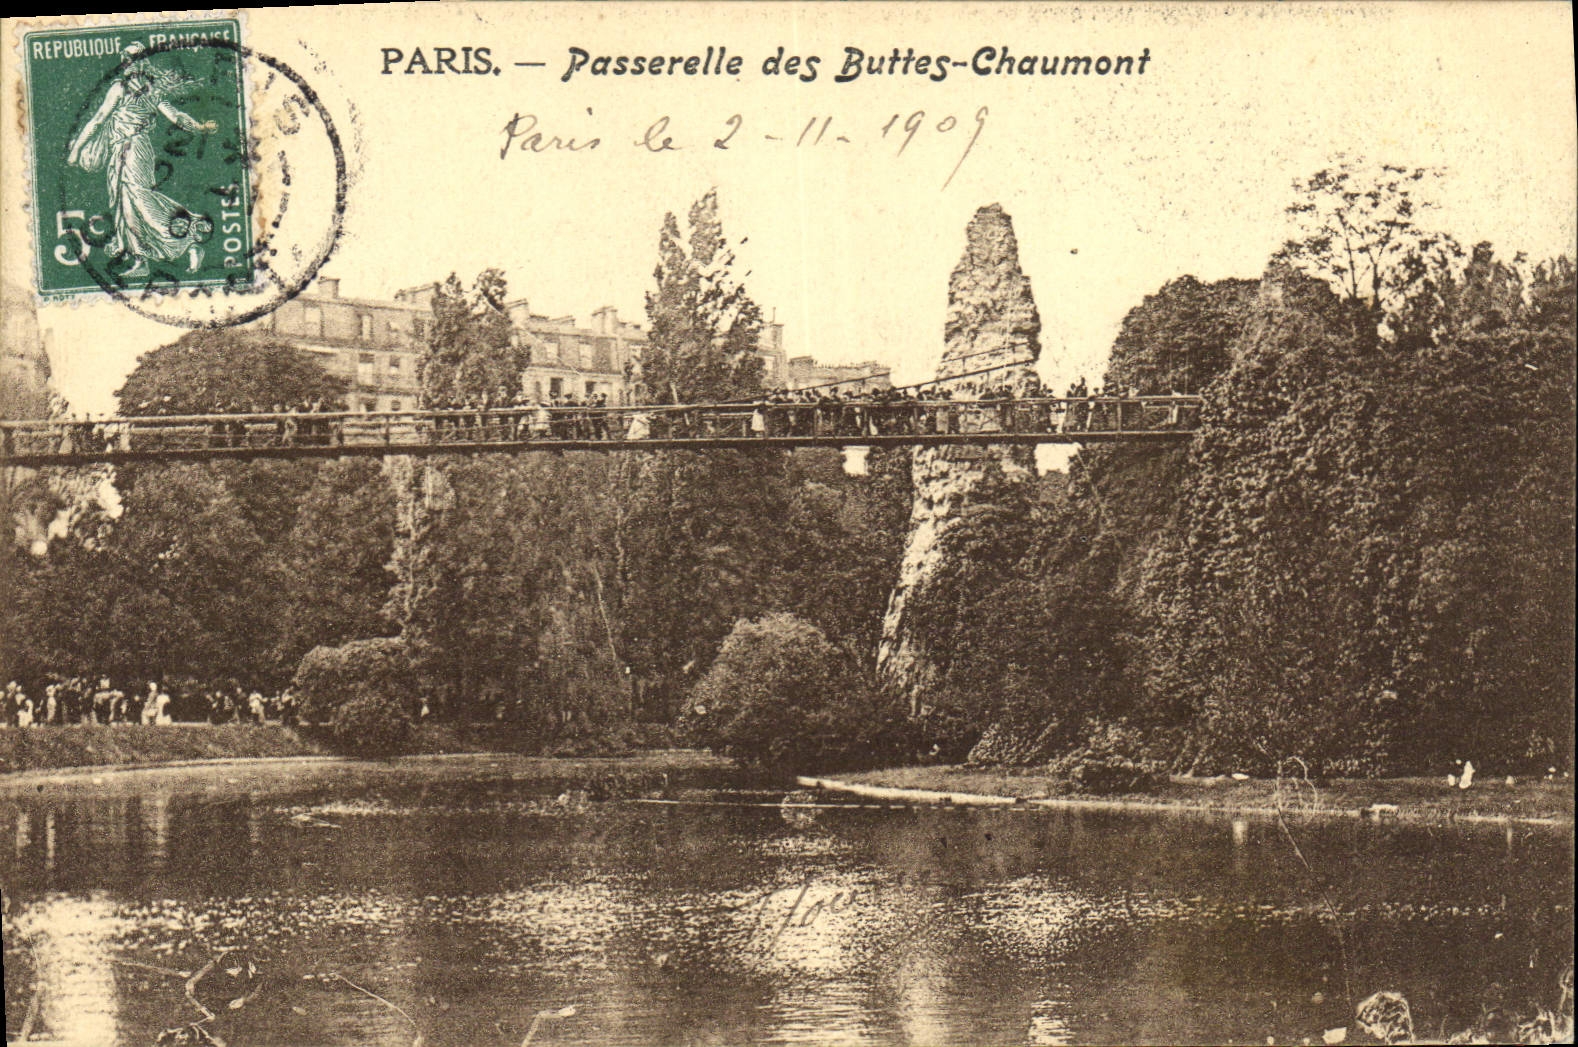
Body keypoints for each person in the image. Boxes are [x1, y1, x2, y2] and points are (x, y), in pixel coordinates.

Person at [66, 43, 219, 277]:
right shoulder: (150, 90)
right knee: (127, 201)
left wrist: (76, 150)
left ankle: (181, 242)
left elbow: (98, 120)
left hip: (131, 150)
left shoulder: (122, 88)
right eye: (130, 59)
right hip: (131, 150)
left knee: (135, 201)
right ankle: (143, 253)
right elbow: (176, 117)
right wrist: (199, 127)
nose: (130, 63)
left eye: (132, 59)